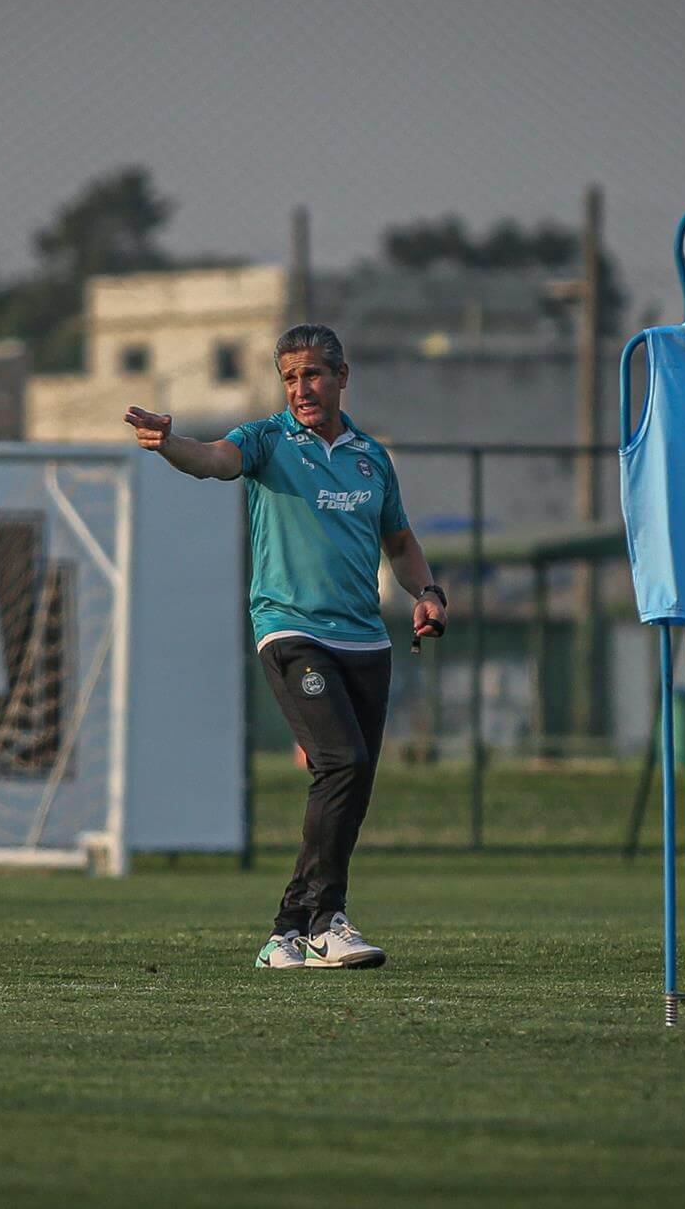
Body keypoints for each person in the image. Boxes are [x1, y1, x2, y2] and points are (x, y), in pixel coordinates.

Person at [124, 323, 445, 970]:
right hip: (292, 631)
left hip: (365, 639)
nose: (301, 387)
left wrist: (427, 591)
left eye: (314, 374)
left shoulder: (370, 458)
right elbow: (214, 460)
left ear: (342, 376)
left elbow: (400, 543)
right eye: (291, 376)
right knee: (342, 761)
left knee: (347, 781)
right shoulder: (267, 439)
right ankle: (328, 921)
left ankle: (288, 933)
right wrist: (170, 445)